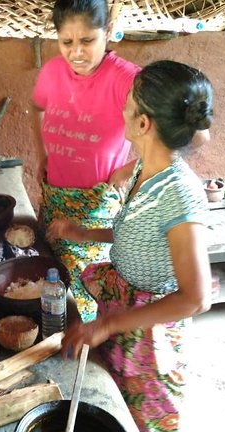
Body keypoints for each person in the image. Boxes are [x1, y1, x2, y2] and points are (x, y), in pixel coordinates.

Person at [46, 60, 215, 432]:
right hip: (125, 313)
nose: (122, 107)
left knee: (143, 428)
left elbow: (196, 297)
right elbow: (140, 235)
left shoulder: (180, 196)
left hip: (150, 336)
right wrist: (84, 231)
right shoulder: (146, 168)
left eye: (129, 101)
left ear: (143, 123)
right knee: (114, 406)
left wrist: (106, 325)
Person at [32, 0, 141, 322]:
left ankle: (90, 352)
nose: (76, 53)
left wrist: (129, 169)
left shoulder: (127, 80)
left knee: (87, 292)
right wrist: (42, 154)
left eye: (87, 41)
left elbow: (186, 136)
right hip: (54, 198)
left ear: (107, 31)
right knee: (53, 281)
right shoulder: (53, 71)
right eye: (67, 42)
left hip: (95, 209)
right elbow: (37, 108)